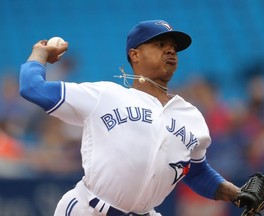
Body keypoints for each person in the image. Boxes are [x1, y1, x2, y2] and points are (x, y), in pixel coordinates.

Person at [19, 20, 240, 216]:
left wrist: (235, 193)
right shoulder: (105, 95)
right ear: (135, 54)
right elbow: (32, 87)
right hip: (90, 209)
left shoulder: (191, 116)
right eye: (160, 45)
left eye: (173, 47)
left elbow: (195, 171)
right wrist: (40, 53)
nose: (171, 51)